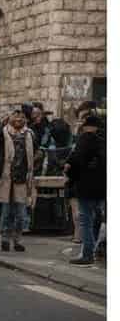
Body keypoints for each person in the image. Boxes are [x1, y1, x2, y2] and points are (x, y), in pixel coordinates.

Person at [0, 107, 36, 253]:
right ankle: (5, 239)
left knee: (21, 213)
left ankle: (17, 239)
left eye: (21, 117)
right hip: (6, 177)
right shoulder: (2, 132)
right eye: (15, 116)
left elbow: (35, 153)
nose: (18, 119)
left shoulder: (29, 134)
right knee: (6, 212)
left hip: (22, 178)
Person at [64, 112, 105, 266]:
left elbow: (75, 161)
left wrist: (70, 177)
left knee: (86, 221)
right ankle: (96, 249)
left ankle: (87, 254)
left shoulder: (84, 140)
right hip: (102, 188)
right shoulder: (104, 141)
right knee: (98, 218)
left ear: (88, 126)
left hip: (86, 187)